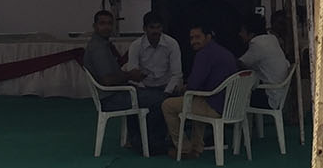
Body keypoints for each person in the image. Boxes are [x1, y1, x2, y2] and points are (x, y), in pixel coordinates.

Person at [161, 24, 238, 158]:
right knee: (197, 101)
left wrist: (182, 88)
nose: (193, 41)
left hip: (215, 107)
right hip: (232, 107)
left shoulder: (204, 54)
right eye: (191, 38)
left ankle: (184, 149)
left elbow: (193, 85)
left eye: (197, 37)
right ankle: (196, 147)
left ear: (208, 37)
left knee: (167, 105)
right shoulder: (226, 53)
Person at [122, 11, 182, 152]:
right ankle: (138, 138)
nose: (155, 31)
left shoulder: (172, 44)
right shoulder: (136, 46)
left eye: (158, 27)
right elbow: (133, 74)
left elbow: (177, 74)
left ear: (162, 28)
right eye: (152, 27)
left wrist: (166, 92)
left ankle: (157, 140)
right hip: (143, 87)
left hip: (166, 87)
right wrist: (146, 91)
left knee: (164, 101)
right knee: (138, 98)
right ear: (144, 29)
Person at [238, 12, 289, 108]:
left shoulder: (257, 44)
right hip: (279, 94)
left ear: (251, 34)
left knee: (235, 95)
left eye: (242, 31)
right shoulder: (271, 39)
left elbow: (241, 64)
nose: (240, 34)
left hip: (270, 96)